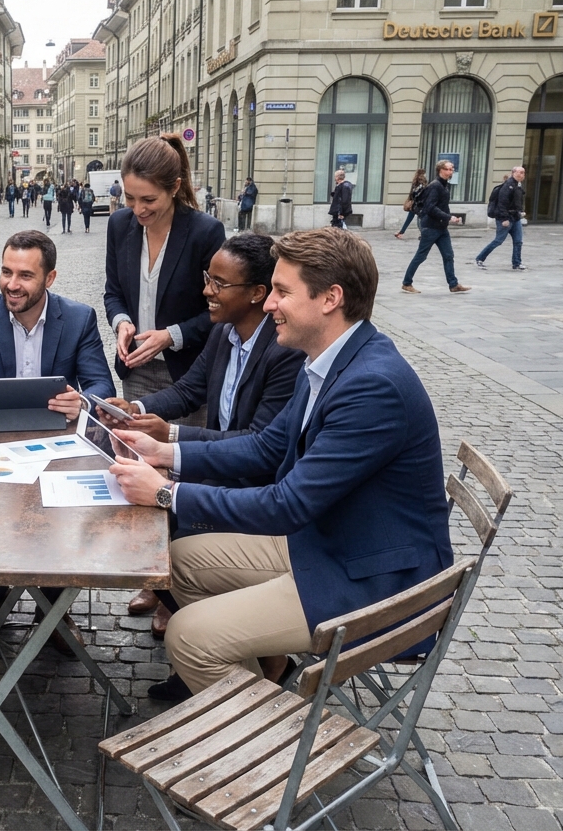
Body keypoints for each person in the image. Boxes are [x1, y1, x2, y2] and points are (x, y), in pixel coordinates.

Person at [108, 227, 454, 696]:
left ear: (330, 298)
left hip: (375, 579)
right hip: (331, 543)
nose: (268, 304)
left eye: (282, 292)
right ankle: (265, 683)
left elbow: (287, 505)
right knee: (178, 561)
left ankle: (270, 731)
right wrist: (164, 452)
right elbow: (267, 446)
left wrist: (166, 493)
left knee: (188, 637)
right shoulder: (331, 359)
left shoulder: (371, 386)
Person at [99, 234, 303, 658]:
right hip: (220, 469)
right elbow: (188, 390)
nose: (206, 291)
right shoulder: (224, 331)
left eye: (219, 284)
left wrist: (170, 438)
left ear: (257, 293)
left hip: (253, 485)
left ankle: (229, 645)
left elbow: (260, 443)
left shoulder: (284, 351)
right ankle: (206, 634)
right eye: (208, 278)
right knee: (142, 520)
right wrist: (135, 408)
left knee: (160, 536)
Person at [0, 230, 115, 654]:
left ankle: (53, 612)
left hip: (58, 444)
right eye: (6, 272)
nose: (11, 284)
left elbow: (101, 385)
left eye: (24, 275)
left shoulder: (78, 318)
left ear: (49, 278)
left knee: (58, 524)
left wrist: (82, 401)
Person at [104, 134, 225, 426]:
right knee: (138, 448)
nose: (138, 209)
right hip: (136, 369)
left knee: (181, 451)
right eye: (130, 198)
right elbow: (113, 293)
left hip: (189, 375)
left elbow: (222, 311)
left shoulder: (205, 232)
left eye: (149, 200)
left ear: (175, 188)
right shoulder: (119, 225)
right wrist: (122, 322)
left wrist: (172, 336)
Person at [402, 159, 471, 294]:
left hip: (441, 228)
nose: (451, 171)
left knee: (448, 255)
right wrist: (448, 217)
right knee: (421, 256)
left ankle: (453, 284)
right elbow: (430, 207)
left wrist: (449, 217)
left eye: (452, 169)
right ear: (441, 170)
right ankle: (406, 283)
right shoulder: (435, 186)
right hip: (431, 227)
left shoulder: (444, 185)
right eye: (448, 169)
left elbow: (442, 206)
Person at [475, 167, 527, 271]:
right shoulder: (507, 186)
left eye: (523, 173)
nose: (521, 175)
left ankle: (517, 263)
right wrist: (504, 219)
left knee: (518, 241)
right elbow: (502, 204)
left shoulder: (518, 185)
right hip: (506, 218)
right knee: (498, 241)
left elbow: (517, 202)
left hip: (515, 218)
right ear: (513, 173)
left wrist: (520, 211)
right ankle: (480, 258)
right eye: (519, 172)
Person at [395, 169, 428, 239]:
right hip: (420, 204)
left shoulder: (415, 182)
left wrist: (410, 200)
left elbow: (411, 194)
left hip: (414, 203)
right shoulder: (423, 184)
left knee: (410, 218)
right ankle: (423, 234)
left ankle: (401, 232)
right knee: (420, 219)